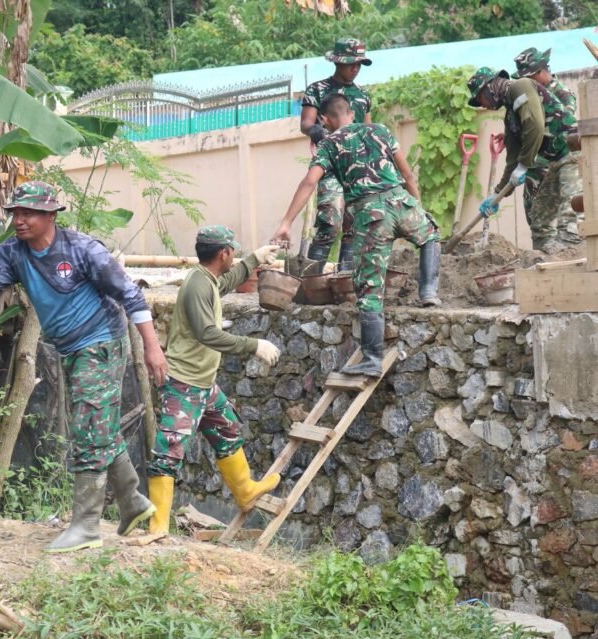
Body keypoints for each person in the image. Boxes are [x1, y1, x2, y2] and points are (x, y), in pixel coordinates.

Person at [0, 181, 167, 554]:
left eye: (28, 213)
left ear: (51, 215)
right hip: (69, 348)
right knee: (98, 425)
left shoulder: (82, 250)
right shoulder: (14, 254)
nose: (19, 220)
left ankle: (87, 525)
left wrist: (152, 347)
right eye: (15, 212)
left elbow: (129, 293)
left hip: (101, 342)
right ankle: (133, 503)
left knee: (88, 426)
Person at [273, 94, 441, 377]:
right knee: (431, 235)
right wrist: (417, 209)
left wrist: (287, 222)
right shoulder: (380, 130)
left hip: (371, 215)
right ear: (352, 112)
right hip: (402, 202)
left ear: (324, 120)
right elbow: (408, 174)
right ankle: (429, 292)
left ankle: (373, 358)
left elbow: (310, 181)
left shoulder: (328, 144)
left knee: (369, 287)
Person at [146, 226, 282, 534]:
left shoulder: (205, 280)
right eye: (233, 252)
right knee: (169, 450)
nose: (234, 257)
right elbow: (208, 333)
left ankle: (245, 491)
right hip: (184, 382)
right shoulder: (196, 286)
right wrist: (254, 345)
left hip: (204, 384)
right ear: (224, 253)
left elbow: (227, 282)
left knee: (227, 430)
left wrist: (254, 259)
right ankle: (157, 528)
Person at [467, 66, 579, 253]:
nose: (483, 105)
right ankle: (545, 260)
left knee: (570, 218)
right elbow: (512, 160)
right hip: (553, 160)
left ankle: (575, 262)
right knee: (539, 220)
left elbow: (535, 126)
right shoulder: (510, 115)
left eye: (481, 99)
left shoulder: (520, 86)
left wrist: (525, 164)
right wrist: (496, 195)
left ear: (490, 88)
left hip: (572, 151)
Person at [299, 37, 374, 271]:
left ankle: (345, 281)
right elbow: (306, 124)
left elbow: (369, 129)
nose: (355, 69)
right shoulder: (318, 90)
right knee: (329, 222)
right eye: (351, 63)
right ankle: (310, 280)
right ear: (338, 62)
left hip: (358, 168)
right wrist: (317, 131)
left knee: (353, 225)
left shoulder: (363, 95)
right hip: (331, 165)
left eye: (359, 64)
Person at [512, 48, 582, 244]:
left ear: (543, 71)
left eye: (531, 76)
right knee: (535, 214)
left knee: (570, 209)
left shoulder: (561, 92)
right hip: (537, 163)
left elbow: (561, 127)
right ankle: (545, 252)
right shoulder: (530, 92)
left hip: (563, 156)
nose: (529, 81)